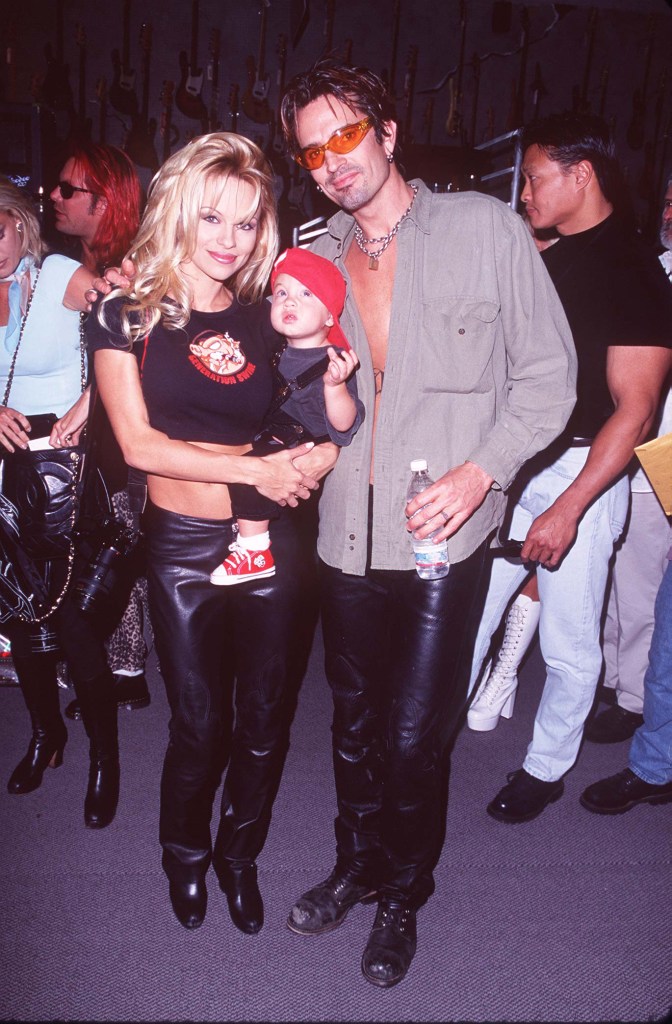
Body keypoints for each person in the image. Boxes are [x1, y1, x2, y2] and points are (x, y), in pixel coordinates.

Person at [278, 58, 577, 988]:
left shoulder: (487, 231)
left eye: (345, 134)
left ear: (388, 131)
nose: (332, 160)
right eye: (312, 148)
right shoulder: (312, 256)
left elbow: (549, 381)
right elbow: (298, 399)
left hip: (445, 539)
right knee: (354, 726)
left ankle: (405, 891)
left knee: (415, 734)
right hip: (344, 535)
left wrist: (481, 470)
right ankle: (357, 865)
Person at [86, 132, 330, 934]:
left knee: (266, 717)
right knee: (200, 719)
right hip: (185, 546)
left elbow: (322, 419)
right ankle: (184, 855)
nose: (230, 240)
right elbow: (137, 444)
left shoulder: (272, 318)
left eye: (248, 223)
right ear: (179, 215)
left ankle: (239, 856)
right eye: (213, 219)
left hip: (274, 543)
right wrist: (255, 471)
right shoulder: (125, 312)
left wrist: (313, 456)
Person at [466, 112, 672, 826]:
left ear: (581, 175)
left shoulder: (634, 270)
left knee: (569, 640)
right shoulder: (550, 256)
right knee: (468, 614)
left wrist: (571, 506)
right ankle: (425, 743)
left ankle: (546, 767)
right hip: (513, 465)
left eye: (534, 178)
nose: (524, 192)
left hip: (582, 473)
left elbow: (636, 411)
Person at [0, 175, 123, 829]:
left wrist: (92, 399)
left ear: (19, 223)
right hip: (3, 482)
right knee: (20, 621)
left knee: (71, 625)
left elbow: (127, 321)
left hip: (61, 479)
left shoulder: (53, 277)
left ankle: (106, 759)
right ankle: (47, 735)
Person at [49, 142, 152, 719]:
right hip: (104, 428)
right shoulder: (77, 261)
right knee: (107, 537)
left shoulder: (139, 261)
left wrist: (90, 401)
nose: (55, 197)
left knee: (120, 539)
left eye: (70, 189)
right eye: (57, 187)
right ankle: (111, 665)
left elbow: (149, 340)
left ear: (105, 199)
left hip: (132, 425)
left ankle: (124, 672)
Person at [211, 245, 362, 584]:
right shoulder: (272, 348)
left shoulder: (333, 361)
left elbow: (345, 425)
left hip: (301, 448)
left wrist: (335, 388)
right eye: (281, 292)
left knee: (252, 470)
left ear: (329, 316)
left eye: (307, 293)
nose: (289, 301)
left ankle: (253, 549)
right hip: (272, 438)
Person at [585, 174, 672, 744]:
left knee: (643, 576)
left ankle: (636, 695)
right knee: (616, 569)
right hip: (632, 439)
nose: (670, 212)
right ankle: (617, 677)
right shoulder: (654, 265)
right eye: (667, 201)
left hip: (665, 446)